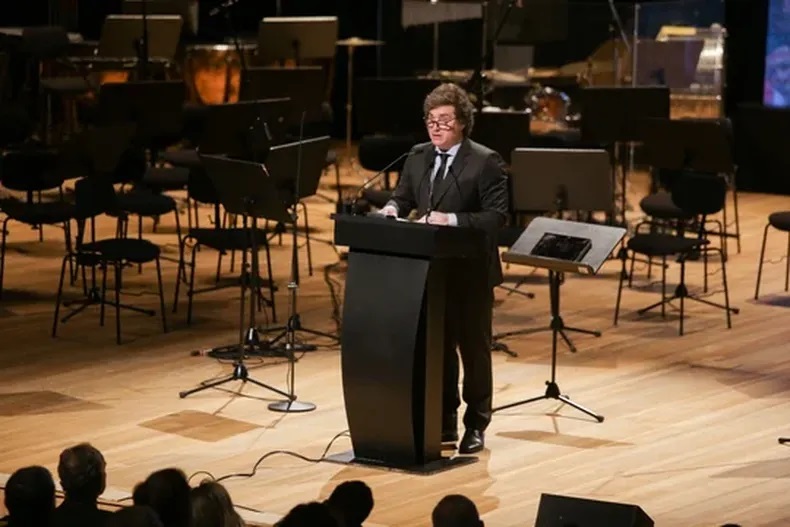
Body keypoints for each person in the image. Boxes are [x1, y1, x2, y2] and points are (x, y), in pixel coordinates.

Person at [379, 82, 509, 454]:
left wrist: (450, 219)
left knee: (473, 349)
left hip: (470, 272)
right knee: (438, 348)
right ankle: (444, 418)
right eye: (431, 120)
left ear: (463, 122)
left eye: (445, 120)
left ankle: (477, 423)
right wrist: (392, 209)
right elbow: (403, 197)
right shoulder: (418, 156)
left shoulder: (485, 161)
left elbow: (496, 216)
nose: (436, 127)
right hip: (430, 271)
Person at [53, 443, 113, 527]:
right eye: (103, 472)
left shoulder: (44, 521)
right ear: (99, 482)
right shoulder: (114, 522)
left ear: (62, 483)